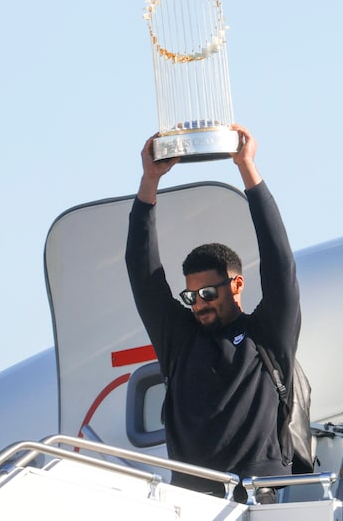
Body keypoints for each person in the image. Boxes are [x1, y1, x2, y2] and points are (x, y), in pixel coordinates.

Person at [125, 124, 301, 504]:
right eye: (191, 296)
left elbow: (280, 262)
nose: (199, 303)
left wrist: (246, 167)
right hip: (192, 500)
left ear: (236, 285)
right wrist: (149, 181)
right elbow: (142, 273)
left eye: (208, 292)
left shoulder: (267, 334)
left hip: (258, 497)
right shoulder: (180, 339)